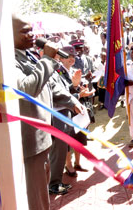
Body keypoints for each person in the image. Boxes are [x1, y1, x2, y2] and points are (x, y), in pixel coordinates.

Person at [13, 14, 83, 210]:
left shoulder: (28, 55)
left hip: (44, 136)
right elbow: (26, 90)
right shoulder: (11, 60)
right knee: (35, 198)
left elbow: (49, 85)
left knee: (41, 194)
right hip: (31, 141)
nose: (32, 34)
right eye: (25, 31)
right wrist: (47, 60)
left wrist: (71, 101)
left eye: (31, 29)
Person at [49, 46, 94, 195]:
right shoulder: (56, 72)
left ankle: (56, 181)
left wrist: (78, 91)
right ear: (59, 58)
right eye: (68, 55)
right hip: (58, 115)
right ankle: (53, 184)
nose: (71, 58)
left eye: (73, 55)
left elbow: (67, 92)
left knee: (62, 149)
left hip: (66, 113)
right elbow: (58, 96)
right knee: (59, 151)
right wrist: (77, 93)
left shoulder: (68, 71)